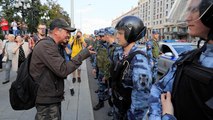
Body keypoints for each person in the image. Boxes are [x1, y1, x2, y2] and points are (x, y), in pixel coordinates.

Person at [148, 0, 213, 120]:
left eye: (194, 10)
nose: (188, 18)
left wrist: (167, 116)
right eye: (188, 10)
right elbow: (158, 89)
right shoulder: (189, 57)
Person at [29, 18, 94, 120]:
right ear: (56, 31)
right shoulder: (46, 45)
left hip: (50, 96)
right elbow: (63, 70)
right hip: (47, 99)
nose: (69, 35)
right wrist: (82, 54)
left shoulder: (52, 44)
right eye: (67, 31)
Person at [112, 16, 152, 120]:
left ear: (131, 34)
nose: (117, 36)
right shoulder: (121, 53)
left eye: (120, 33)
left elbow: (141, 98)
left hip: (128, 113)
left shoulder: (139, 60)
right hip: (118, 106)